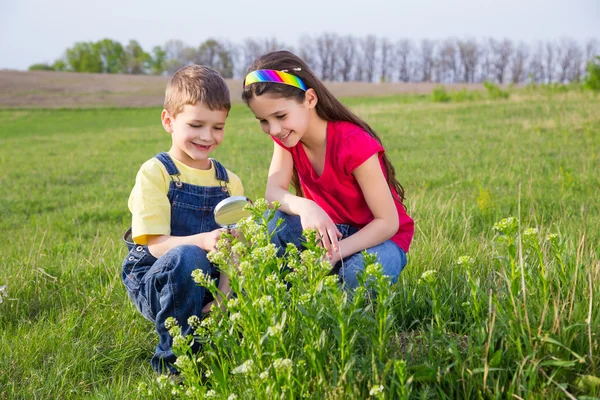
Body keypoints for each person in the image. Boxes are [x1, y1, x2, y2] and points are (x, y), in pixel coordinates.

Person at [241, 51, 414, 290]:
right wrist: (306, 207)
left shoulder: (353, 143)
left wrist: (335, 253)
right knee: (273, 225)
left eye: (280, 116)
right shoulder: (287, 138)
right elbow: (273, 192)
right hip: (330, 231)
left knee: (358, 275)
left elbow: (387, 223)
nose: (274, 129)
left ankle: (331, 282)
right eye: (263, 121)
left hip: (379, 239)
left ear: (310, 99)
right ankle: (286, 295)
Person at [121, 65, 243, 374]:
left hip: (211, 281)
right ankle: (175, 366)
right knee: (188, 255)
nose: (207, 136)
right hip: (157, 280)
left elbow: (235, 245)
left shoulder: (229, 182)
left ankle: (220, 347)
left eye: (218, 127)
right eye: (196, 124)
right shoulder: (156, 172)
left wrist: (224, 295)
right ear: (169, 121)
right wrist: (203, 240)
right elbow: (155, 245)